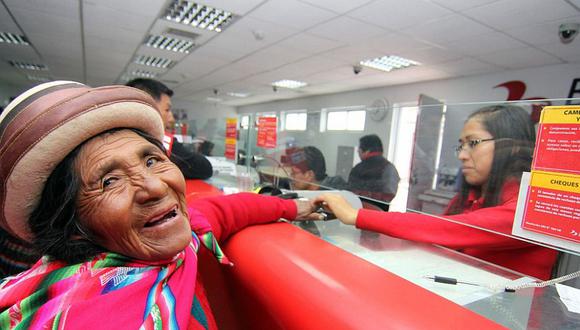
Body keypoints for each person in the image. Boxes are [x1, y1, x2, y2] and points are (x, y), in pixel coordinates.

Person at [0, 81, 320, 328]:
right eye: (109, 181)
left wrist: (297, 207)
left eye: (152, 160)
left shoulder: (160, 244)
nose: (154, 186)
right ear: (71, 225)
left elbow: (216, 212)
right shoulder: (98, 316)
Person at [315, 105, 558, 280]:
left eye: (472, 143)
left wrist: (356, 216)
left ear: (512, 146)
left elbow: (446, 229)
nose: (462, 154)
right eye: (460, 145)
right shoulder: (469, 198)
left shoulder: (533, 211)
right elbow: (436, 239)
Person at [126, 78, 213, 180]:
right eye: (167, 110)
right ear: (146, 109)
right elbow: (204, 168)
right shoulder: (160, 142)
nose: (171, 118)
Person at [348, 134, 400, 202]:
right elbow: (389, 195)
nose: (358, 151)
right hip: (379, 211)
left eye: (359, 149)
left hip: (356, 209)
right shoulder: (389, 168)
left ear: (367, 151)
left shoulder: (357, 168)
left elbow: (350, 192)